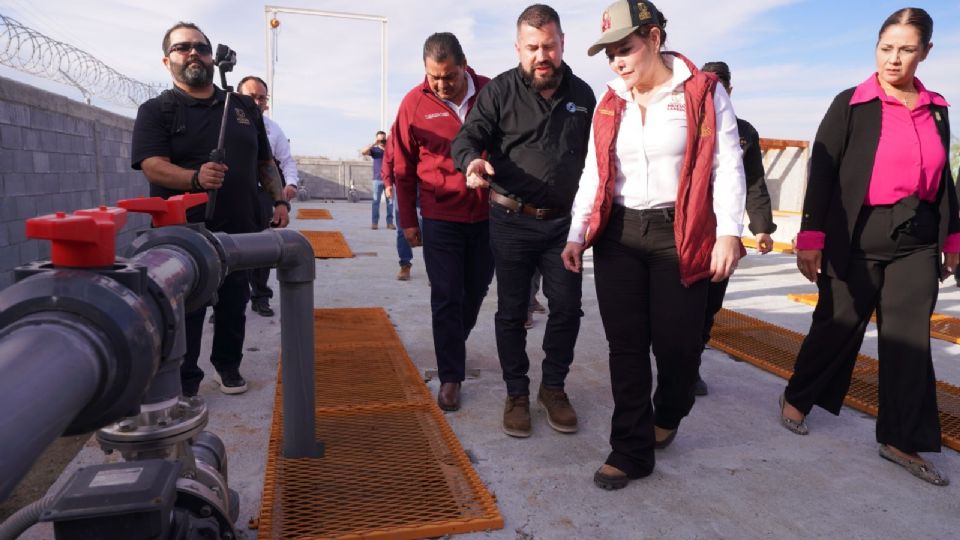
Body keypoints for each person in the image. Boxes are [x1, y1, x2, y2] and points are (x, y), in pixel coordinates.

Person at [561, 0, 746, 489]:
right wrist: (578, 233)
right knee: (625, 347)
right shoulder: (609, 101)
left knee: (679, 347)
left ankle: (670, 411)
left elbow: (728, 161)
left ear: (656, 39)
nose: (618, 61)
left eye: (626, 48)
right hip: (619, 235)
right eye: (610, 54)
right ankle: (630, 450)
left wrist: (729, 230)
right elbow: (595, 171)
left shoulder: (702, 92)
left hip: (679, 234)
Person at [780, 7, 957, 487]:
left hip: (916, 240)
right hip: (855, 236)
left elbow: (945, 182)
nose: (893, 59)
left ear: (925, 52)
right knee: (837, 325)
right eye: (885, 48)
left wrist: (953, 238)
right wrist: (811, 238)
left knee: (908, 339)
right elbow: (822, 175)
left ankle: (900, 438)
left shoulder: (937, 107)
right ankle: (798, 396)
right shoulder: (852, 103)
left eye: (905, 49)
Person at [452, 4, 595, 436]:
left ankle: (553, 388)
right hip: (511, 221)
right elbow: (468, 137)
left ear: (562, 43)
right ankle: (516, 392)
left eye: (548, 46)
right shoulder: (498, 92)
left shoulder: (585, 96)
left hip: (563, 227)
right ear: (518, 48)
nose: (541, 56)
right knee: (512, 311)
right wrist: (471, 163)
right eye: (532, 48)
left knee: (568, 308)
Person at [131, 22, 290, 397]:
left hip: (239, 226)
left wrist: (279, 199)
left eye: (201, 48)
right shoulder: (157, 110)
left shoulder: (241, 106)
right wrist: (194, 179)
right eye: (183, 48)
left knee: (235, 301)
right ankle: (184, 381)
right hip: (184, 231)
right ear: (166, 59)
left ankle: (228, 365)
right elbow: (152, 164)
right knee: (186, 309)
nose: (194, 54)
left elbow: (265, 162)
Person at [392, 32, 493, 411]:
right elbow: (402, 168)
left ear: (464, 65)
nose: (441, 84)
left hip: (487, 215)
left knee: (477, 289)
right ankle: (451, 375)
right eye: (434, 76)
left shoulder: (491, 92)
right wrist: (408, 220)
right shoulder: (413, 104)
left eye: (448, 76)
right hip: (440, 216)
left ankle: (454, 343)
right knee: (446, 294)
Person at [696, 61, 777, 397]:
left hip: (723, 233)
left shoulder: (744, 132)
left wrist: (761, 227)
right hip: (681, 229)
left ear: (729, 92)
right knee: (676, 302)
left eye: (721, 90)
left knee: (710, 303)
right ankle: (672, 358)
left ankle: (690, 365)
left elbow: (753, 181)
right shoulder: (686, 121)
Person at [238, 75, 299, 317]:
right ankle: (228, 299)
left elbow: (286, 161)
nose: (257, 101)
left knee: (263, 247)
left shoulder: (273, 130)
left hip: (262, 195)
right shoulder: (224, 125)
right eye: (251, 96)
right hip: (234, 196)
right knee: (232, 246)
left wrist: (291, 185)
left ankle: (260, 296)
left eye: (261, 98)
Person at [382, 136, 414, 281]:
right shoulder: (396, 132)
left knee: (432, 227)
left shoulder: (427, 121)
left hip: (427, 184)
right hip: (402, 185)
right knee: (402, 228)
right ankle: (405, 265)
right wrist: (388, 183)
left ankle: (434, 270)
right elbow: (388, 159)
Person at [362, 131, 393, 230]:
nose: (382, 141)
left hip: (389, 180)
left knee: (391, 202)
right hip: (377, 180)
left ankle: (390, 223)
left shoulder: (391, 149)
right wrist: (374, 143)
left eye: (383, 138)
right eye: (380, 139)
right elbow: (363, 152)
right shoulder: (374, 150)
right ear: (377, 139)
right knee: (376, 202)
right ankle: (374, 223)